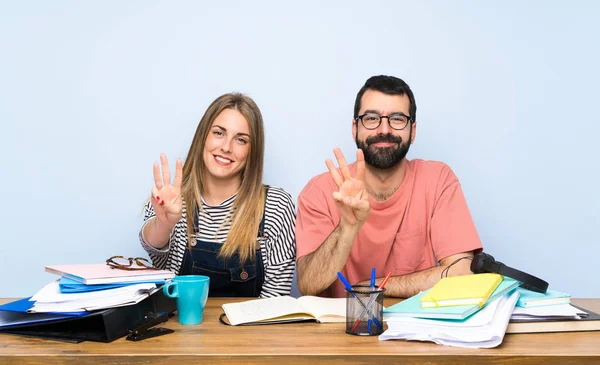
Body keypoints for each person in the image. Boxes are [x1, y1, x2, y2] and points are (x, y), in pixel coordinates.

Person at [295, 75, 483, 298]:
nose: (384, 130)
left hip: (416, 329)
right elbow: (308, 285)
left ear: (412, 131)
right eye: (372, 118)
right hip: (341, 330)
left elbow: (461, 274)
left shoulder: (438, 180)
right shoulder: (321, 191)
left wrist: (371, 288)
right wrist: (347, 226)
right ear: (355, 128)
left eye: (397, 118)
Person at [139, 93, 296, 298]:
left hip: (252, 329)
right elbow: (154, 252)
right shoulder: (172, 200)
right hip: (183, 328)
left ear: (252, 151)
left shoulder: (276, 205)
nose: (226, 147)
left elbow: (276, 298)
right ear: (203, 135)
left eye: (240, 140)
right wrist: (165, 223)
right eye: (219, 133)